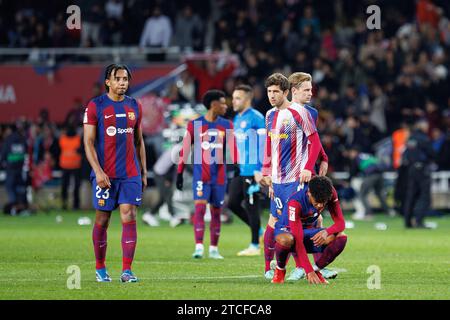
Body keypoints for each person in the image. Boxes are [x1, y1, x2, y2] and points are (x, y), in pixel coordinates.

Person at [83, 63, 147, 283]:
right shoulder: (95, 106)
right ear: (107, 82)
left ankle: (127, 271)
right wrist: (98, 172)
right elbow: (88, 143)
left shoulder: (135, 105)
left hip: (130, 173)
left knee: (129, 215)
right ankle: (100, 268)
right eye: (118, 79)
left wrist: (144, 172)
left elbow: (139, 141)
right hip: (105, 175)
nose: (122, 83)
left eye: (125, 79)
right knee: (103, 220)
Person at [259, 73, 324, 280]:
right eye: (269, 92)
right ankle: (269, 268)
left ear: (286, 92)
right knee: (275, 219)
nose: (271, 96)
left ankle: (302, 267)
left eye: (275, 92)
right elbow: (269, 146)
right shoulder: (269, 115)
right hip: (277, 180)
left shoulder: (299, 113)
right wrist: (267, 172)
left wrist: (307, 167)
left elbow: (314, 142)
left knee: (299, 222)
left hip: (296, 178)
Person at [176, 90, 239, 259]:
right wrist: (180, 173)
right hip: (201, 175)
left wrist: (237, 167)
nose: (226, 106)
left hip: (219, 176)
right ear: (213, 105)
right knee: (200, 209)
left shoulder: (227, 125)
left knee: (217, 211)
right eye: (223, 103)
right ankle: (198, 247)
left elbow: (233, 149)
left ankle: (213, 249)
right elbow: (185, 149)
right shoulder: (195, 124)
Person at [272, 176, 347, 284]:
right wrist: (308, 271)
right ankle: (280, 270)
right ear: (309, 193)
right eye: (317, 202)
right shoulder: (296, 202)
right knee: (286, 239)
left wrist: (326, 232)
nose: (320, 205)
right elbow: (298, 240)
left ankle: (317, 270)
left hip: (308, 231)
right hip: (288, 231)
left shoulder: (330, 192)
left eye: (323, 202)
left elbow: (340, 223)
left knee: (341, 237)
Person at [228, 84, 266, 256]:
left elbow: (264, 144)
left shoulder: (256, 118)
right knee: (233, 203)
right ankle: (258, 231)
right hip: (241, 169)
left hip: (253, 170)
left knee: (252, 206)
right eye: (233, 97)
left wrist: (260, 168)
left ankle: (254, 245)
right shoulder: (236, 119)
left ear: (247, 99)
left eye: (238, 98)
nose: (234, 101)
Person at [402, 118, 435, 228]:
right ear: (423, 126)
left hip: (411, 169)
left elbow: (405, 154)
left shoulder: (410, 138)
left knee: (411, 195)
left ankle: (407, 222)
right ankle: (419, 221)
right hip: (422, 169)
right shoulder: (424, 138)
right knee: (425, 196)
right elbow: (432, 153)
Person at [347, 145, 395, 220]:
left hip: (370, 176)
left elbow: (353, 171)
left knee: (362, 194)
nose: (350, 155)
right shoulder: (367, 155)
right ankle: (389, 211)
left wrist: (349, 180)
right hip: (380, 175)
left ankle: (369, 213)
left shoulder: (356, 158)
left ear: (354, 152)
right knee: (380, 194)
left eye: (351, 153)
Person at [142, 144, 181, 228]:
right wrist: (168, 179)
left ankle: (149, 215)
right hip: (161, 174)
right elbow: (172, 166)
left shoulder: (177, 148)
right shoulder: (178, 150)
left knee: (163, 198)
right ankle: (173, 217)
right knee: (168, 195)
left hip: (162, 173)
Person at [0, 122, 28, 215]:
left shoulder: (8, 140)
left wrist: (3, 163)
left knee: (10, 188)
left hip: (10, 169)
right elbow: (25, 153)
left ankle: (13, 207)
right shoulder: (22, 139)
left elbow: (3, 154)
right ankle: (21, 207)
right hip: (20, 169)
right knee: (20, 189)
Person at [59, 125, 82, 210]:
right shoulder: (63, 139)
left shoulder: (77, 139)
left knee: (75, 186)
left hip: (75, 166)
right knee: (65, 186)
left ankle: (75, 204)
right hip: (66, 166)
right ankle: (66, 204)